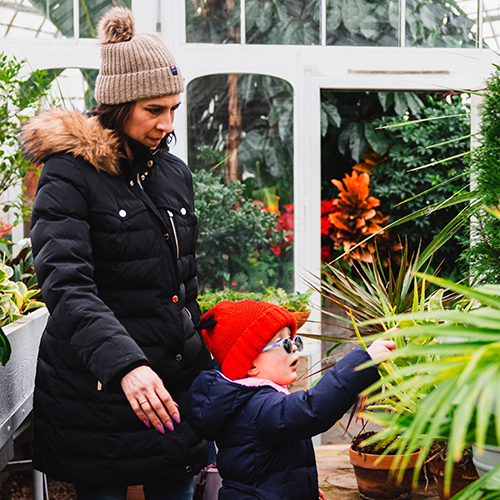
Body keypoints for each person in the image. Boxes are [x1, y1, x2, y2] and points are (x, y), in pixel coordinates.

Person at [20, 6, 213, 500]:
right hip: (99, 392)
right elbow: (67, 287)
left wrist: (213, 360)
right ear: (118, 105)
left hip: (170, 390)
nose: (167, 124)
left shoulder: (173, 174)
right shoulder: (68, 175)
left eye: (174, 107)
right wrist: (126, 365)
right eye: (154, 110)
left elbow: (182, 289)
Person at [187, 300, 396, 500]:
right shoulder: (258, 408)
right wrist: (364, 361)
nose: (295, 348)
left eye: (295, 340)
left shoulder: (258, 401)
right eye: (284, 344)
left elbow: (277, 470)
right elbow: (314, 408)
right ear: (250, 366)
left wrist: (304, 490)